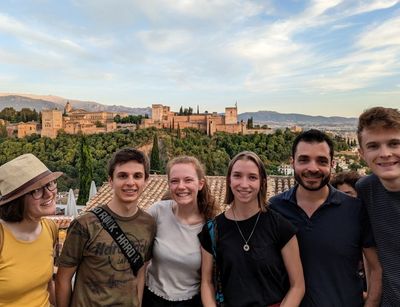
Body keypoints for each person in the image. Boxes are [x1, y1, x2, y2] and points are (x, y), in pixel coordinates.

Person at [269, 129, 382, 307]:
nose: (312, 168)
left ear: (332, 164)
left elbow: (375, 268)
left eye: (321, 161)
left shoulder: (355, 209)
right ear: (292, 162)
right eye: (304, 159)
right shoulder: (274, 209)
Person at [199, 151, 305, 307]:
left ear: (262, 182)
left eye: (252, 177)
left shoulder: (281, 227)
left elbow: (297, 286)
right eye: (237, 176)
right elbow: (207, 282)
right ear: (229, 180)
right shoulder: (212, 230)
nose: (244, 184)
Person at [56, 148, 156, 307]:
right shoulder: (84, 224)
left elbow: (140, 272)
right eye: (122, 176)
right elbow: (63, 279)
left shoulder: (149, 223)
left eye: (137, 176)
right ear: (111, 181)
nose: (130, 182)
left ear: (146, 181)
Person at [143, 156, 219, 306]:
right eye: (175, 181)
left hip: (190, 302)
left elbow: (208, 281)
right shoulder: (157, 212)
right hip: (151, 299)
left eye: (188, 180)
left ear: (200, 184)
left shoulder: (210, 227)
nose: (181, 186)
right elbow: (141, 261)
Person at [0, 153, 62, 307]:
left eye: (50, 184)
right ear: (17, 201)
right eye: (36, 191)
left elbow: (47, 285)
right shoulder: (2, 236)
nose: (49, 194)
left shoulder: (50, 229)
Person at [356, 106, 400, 305]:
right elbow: (371, 256)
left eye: (394, 143)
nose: (385, 153)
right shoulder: (366, 189)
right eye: (373, 146)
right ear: (362, 153)